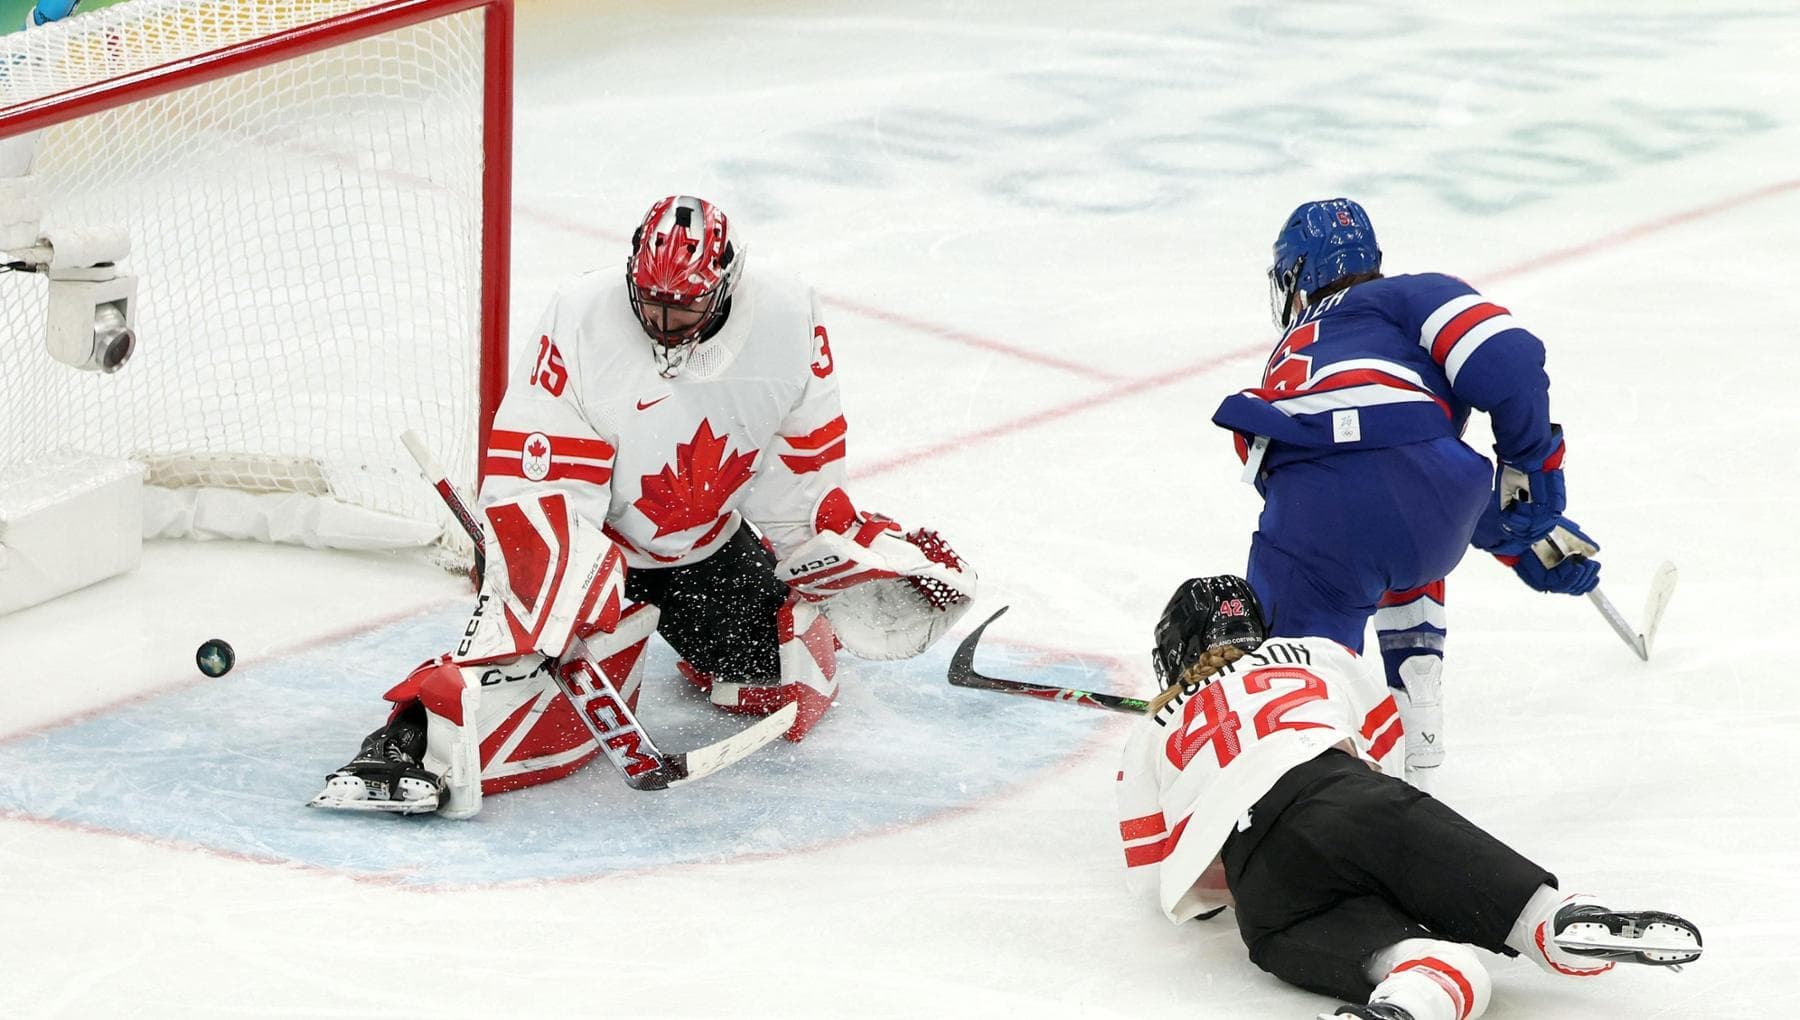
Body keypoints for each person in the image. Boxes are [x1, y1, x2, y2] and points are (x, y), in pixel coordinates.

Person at [309, 194, 976, 817]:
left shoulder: (787, 320)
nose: (661, 322)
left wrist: (856, 558)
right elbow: (537, 485)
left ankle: (680, 643)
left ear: (726, 290)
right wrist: (550, 592)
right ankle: (400, 744)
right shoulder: (582, 318)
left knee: (781, 667)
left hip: (704, 550)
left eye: (682, 307)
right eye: (650, 302)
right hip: (597, 552)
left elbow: (799, 494)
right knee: (519, 684)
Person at [1117, 575, 1701, 1020]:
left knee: (1436, 967)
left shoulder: (1150, 731)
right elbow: (1387, 745)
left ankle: (1410, 999)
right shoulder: (1316, 654)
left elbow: (1154, 876)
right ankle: (1558, 923)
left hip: (1266, 886)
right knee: (1518, 907)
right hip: (1353, 801)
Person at [1211, 197, 1602, 788]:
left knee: (1300, 690)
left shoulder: (1294, 349)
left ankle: (1307, 763)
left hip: (1314, 507)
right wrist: (1529, 485)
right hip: (1435, 502)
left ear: (1298, 275)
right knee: (1412, 519)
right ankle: (1416, 686)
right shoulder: (1407, 298)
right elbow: (1499, 368)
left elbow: (1348, 481)